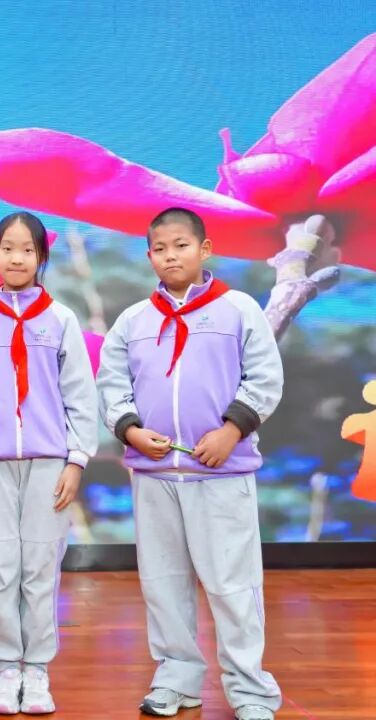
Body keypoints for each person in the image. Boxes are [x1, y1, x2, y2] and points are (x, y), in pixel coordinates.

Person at [97, 207, 283, 720]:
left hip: (222, 474)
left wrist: (231, 431)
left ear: (204, 249)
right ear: (149, 256)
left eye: (181, 245)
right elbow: (111, 385)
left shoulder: (239, 310)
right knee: (163, 583)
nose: (170, 256)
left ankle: (250, 690)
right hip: (155, 475)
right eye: (160, 248)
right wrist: (131, 430)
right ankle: (176, 678)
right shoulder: (132, 321)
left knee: (232, 585)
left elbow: (265, 379)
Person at [0, 211, 98, 715]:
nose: (16, 258)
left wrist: (76, 460)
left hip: (49, 463)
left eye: (27, 249)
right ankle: (5, 667)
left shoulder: (62, 320)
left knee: (40, 567)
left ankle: (37, 670)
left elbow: (80, 396)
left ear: (41, 257)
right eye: (7, 248)